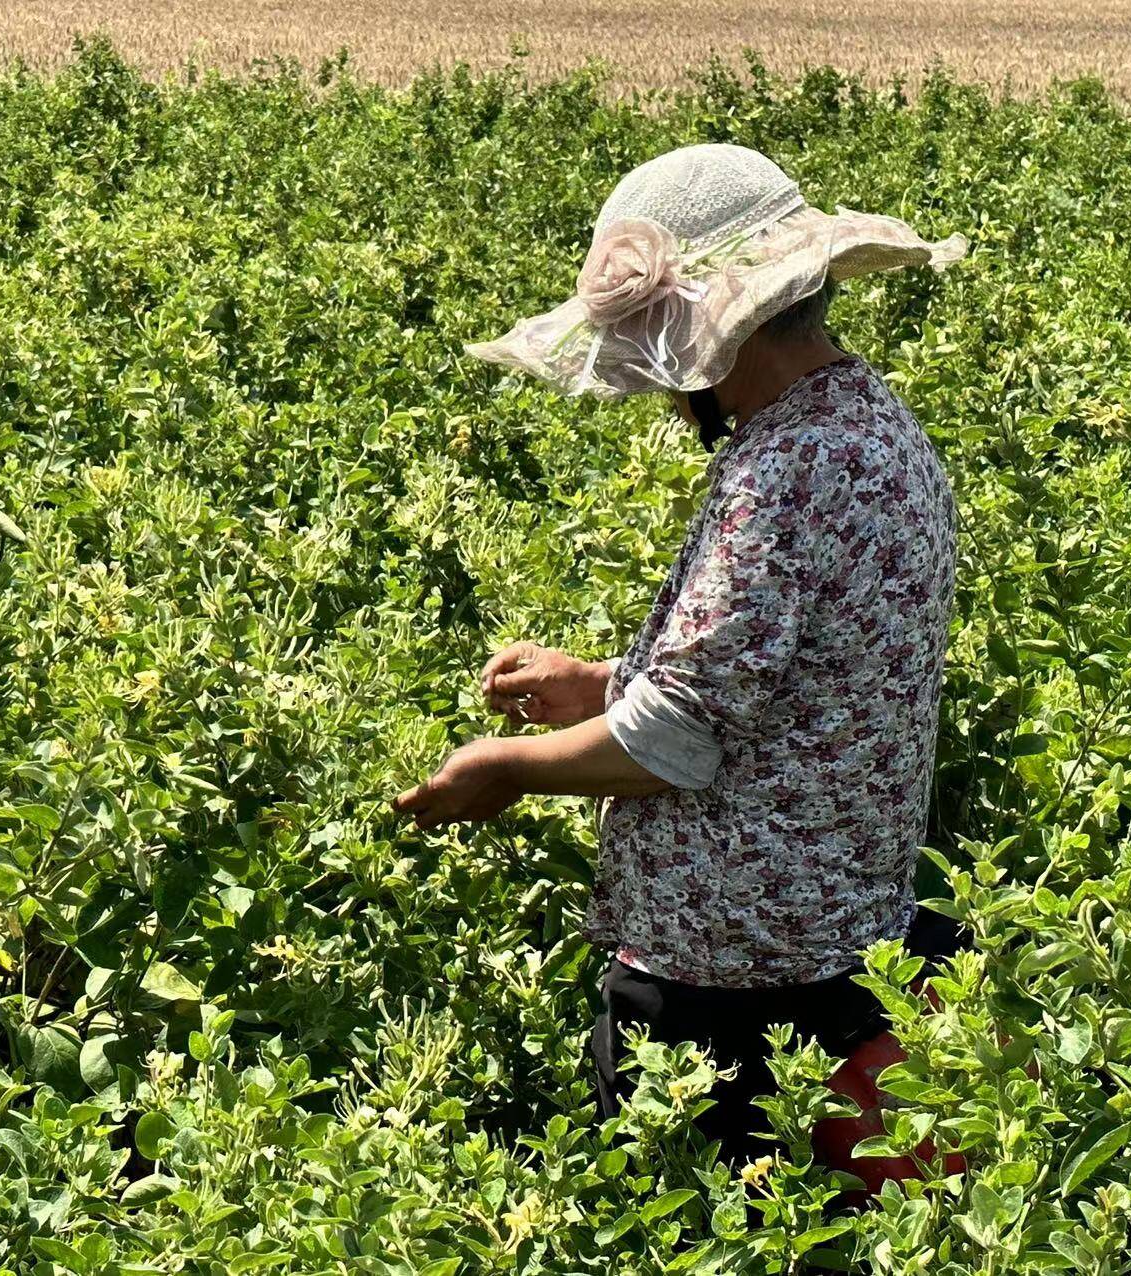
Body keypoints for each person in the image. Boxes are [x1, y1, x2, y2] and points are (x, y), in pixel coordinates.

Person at [392, 143, 970, 1163]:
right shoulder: (864, 424)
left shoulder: (787, 467)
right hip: (832, 932)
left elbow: (678, 738)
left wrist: (504, 771)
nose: (661, 388)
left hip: (738, 974)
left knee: (701, 1218)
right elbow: (791, 679)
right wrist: (600, 685)